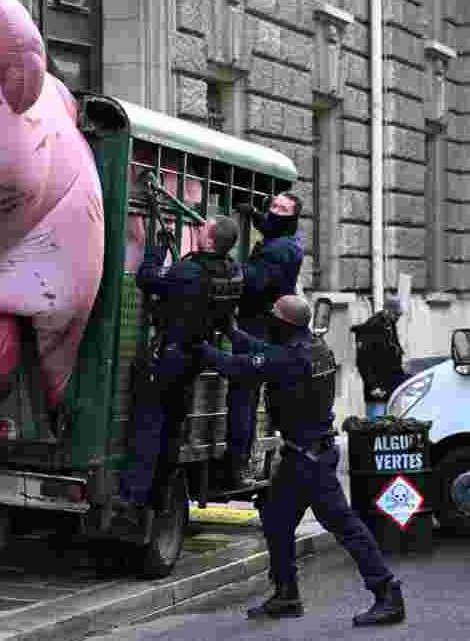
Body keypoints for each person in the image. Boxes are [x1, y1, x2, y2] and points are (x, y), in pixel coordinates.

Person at [198, 295, 406, 625]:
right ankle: (286, 594)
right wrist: (232, 331)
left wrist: (199, 348)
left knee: (345, 526)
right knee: (276, 520)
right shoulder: (313, 347)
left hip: (309, 461)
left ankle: (387, 592)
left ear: (284, 325)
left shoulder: (292, 358)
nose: (270, 323)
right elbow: (263, 354)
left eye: (274, 320)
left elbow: (241, 366)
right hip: (304, 454)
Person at [119, 214, 243, 508]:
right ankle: (160, 494)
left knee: (149, 424)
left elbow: (147, 277)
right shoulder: (233, 272)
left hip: (170, 356)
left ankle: (134, 496)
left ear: (210, 241)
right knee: (173, 426)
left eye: (204, 228)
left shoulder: (190, 271)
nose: (198, 228)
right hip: (195, 357)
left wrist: (158, 247)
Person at [226, 192, 304, 489]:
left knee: (243, 397)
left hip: (257, 327)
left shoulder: (281, 250)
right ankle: (242, 461)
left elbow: (255, 280)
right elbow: (273, 228)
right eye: (272, 206)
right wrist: (256, 216)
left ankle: (238, 464)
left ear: (293, 217)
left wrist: (226, 264)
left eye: (282, 209)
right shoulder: (285, 240)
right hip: (261, 326)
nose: (274, 212)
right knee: (246, 397)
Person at [351, 298, 408, 421]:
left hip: (392, 385)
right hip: (378, 388)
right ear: (386, 311)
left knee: (393, 426)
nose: (397, 318)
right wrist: (373, 386)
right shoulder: (371, 327)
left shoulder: (390, 324)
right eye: (396, 314)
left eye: (399, 315)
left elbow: (394, 350)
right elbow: (362, 362)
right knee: (377, 425)